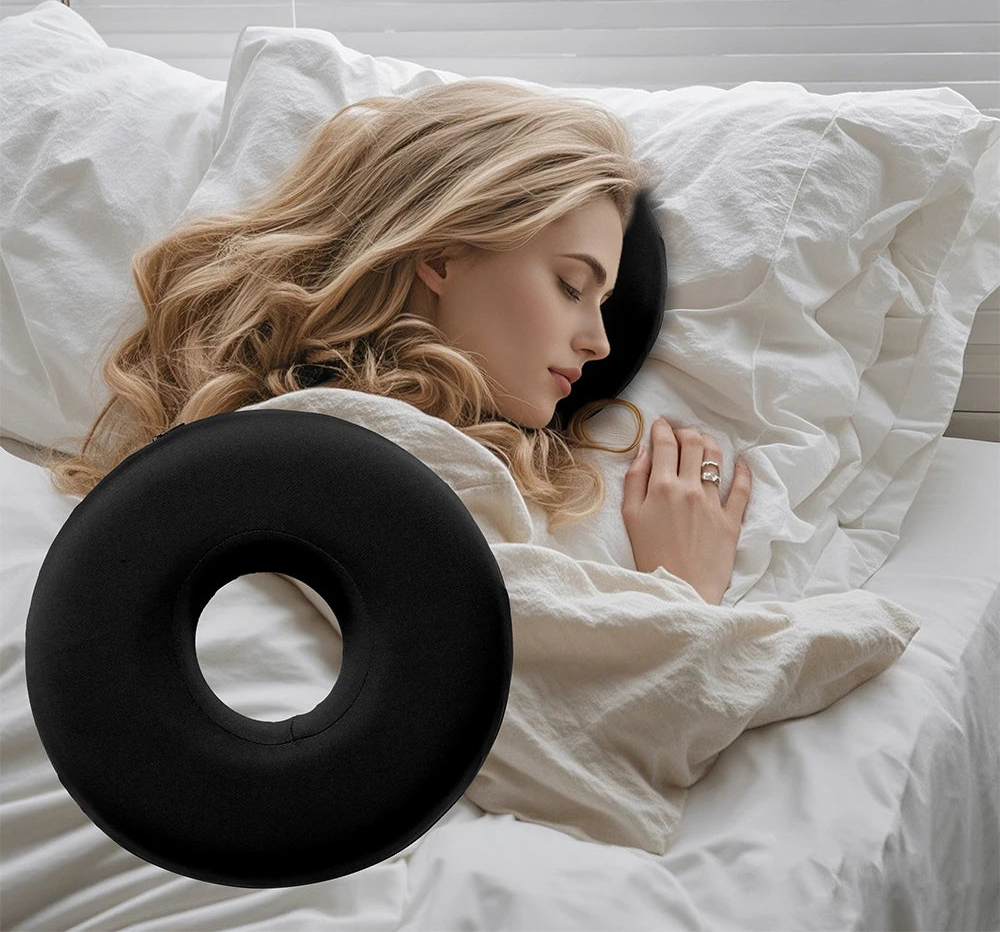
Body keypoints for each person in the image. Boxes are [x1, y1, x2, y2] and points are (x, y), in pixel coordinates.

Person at [44, 79, 751, 605]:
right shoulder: (362, 450)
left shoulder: (293, 432)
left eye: (603, 303)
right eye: (571, 286)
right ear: (441, 256)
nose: (599, 343)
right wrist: (685, 591)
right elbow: (560, 701)